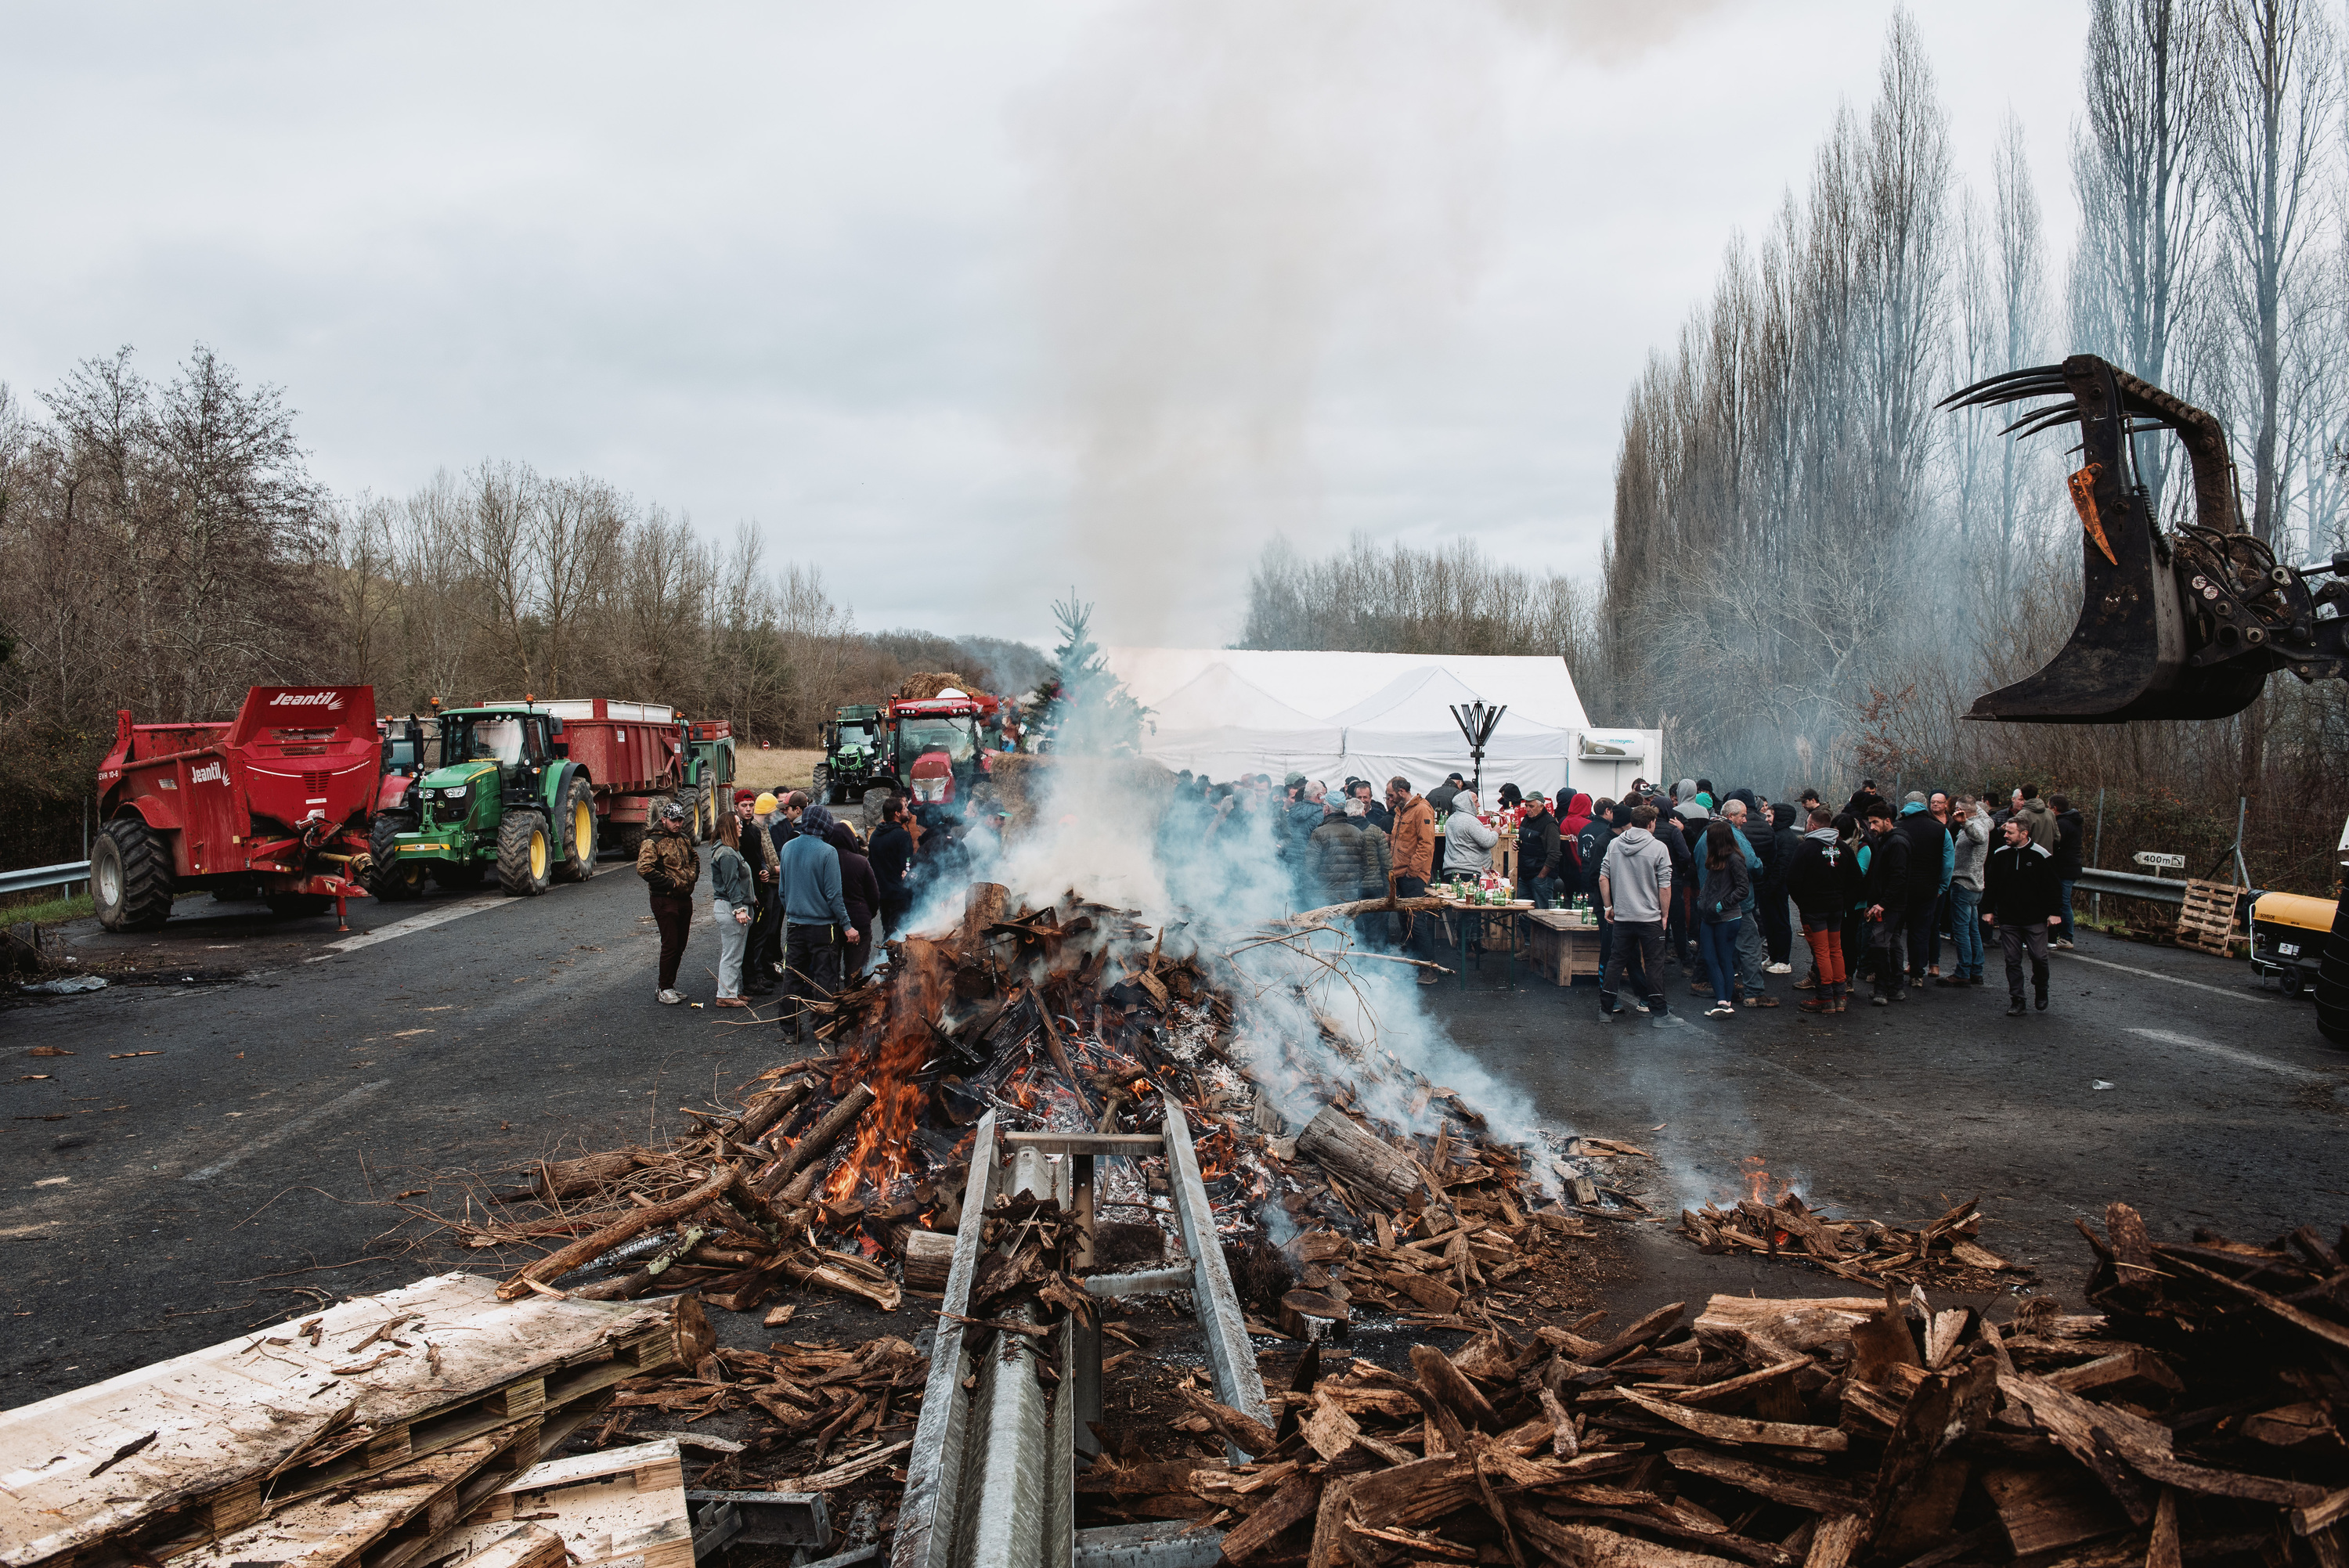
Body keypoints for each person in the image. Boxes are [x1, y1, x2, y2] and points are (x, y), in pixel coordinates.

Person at [778, 803, 854, 1044]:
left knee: (793, 977)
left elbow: (782, 891)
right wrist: (847, 925)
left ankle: (790, 1029)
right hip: (824, 928)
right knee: (825, 978)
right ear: (825, 825)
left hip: (795, 926)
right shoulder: (827, 852)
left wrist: (794, 910)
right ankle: (823, 1030)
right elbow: (834, 895)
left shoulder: (788, 848)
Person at [1983, 813, 2062, 1016]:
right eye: (2005, 831)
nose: (2006, 835)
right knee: (2012, 959)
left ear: (2024, 834)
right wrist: (1988, 910)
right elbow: (1991, 885)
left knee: (2039, 956)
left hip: (2035, 917)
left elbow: (2053, 887)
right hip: (2009, 918)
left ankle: (2041, 987)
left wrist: (2054, 913)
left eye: (2010, 832)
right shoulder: (2001, 854)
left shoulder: (2041, 855)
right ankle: (2017, 999)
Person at [1597, 802, 1671, 1019]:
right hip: (1650, 917)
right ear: (1651, 823)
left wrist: (1608, 907)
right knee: (1654, 963)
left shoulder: (1614, 844)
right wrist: (1664, 914)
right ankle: (1659, 1013)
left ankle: (1606, 1009)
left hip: (1623, 915)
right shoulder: (1659, 848)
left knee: (1616, 961)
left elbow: (1603, 877)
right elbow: (1665, 886)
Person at [1785, 806, 1857, 1013]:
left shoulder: (1806, 848)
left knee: (1822, 951)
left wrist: (1802, 903)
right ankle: (1840, 996)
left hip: (1814, 909)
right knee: (1836, 949)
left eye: (1807, 823)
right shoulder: (1843, 848)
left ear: (1813, 825)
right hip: (1836, 908)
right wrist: (1843, 901)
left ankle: (1825, 997)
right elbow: (1855, 880)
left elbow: (1792, 880)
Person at [636, 800, 701, 1004]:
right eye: (674, 820)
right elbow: (644, 869)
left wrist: (692, 876)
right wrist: (670, 883)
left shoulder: (683, 839)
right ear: (664, 820)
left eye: (680, 820)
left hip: (684, 898)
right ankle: (664, 987)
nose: (678, 824)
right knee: (670, 944)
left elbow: (695, 859)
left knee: (680, 945)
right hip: (664, 900)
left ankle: (669, 985)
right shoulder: (652, 841)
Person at [1715, 798, 1775, 1007]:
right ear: (1731, 816)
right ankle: (1754, 992)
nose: (1746, 820)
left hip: (1714, 901)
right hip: (1739, 901)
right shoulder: (1735, 835)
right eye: (1742, 816)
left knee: (1722, 946)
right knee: (1750, 946)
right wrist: (1759, 868)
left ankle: (1723, 990)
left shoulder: (1708, 832)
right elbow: (1752, 863)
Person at [1896, 791, 1953, 988]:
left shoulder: (1897, 827)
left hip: (1900, 888)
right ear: (1925, 805)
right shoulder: (1940, 830)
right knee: (1920, 932)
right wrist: (1942, 887)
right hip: (1928, 889)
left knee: (1894, 931)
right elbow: (1948, 863)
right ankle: (1917, 974)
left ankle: (1892, 971)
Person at [1694, 819, 1751, 1017]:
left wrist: (1723, 904)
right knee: (1710, 958)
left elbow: (1743, 888)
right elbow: (1709, 885)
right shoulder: (1715, 858)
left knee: (1724, 959)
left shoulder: (1734, 859)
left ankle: (1724, 1002)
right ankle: (1722, 1002)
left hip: (1727, 918)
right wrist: (1702, 900)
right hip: (1709, 916)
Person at [1386, 777, 1440, 984]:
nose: (1389, 799)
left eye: (1391, 795)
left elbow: (1426, 844)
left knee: (1416, 923)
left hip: (1412, 876)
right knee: (1406, 922)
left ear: (1401, 791)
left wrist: (1413, 871)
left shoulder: (1421, 810)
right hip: (1400, 874)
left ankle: (1429, 969)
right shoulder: (1401, 811)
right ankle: (1415, 967)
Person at [1859, 800, 1911, 1005]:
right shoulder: (1893, 840)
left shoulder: (1895, 843)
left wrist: (1882, 903)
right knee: (1893, 944)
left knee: (1880, 944)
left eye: (1875, 822)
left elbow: (1899, 876)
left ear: (1887, 821)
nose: (1871, 827)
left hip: (1889, 904)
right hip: (1893, 903)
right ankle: (1895, 988)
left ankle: (1882, 989)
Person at [1939, 795, 1990, 986]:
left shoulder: (1975, 826)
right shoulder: (1983, 820)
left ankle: (1963, 971)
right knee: (1972, 930)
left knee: (1961, 931)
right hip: (1975, 883)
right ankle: (1976, 969)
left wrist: (1965, 823)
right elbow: (1987, 821)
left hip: (1964, 884)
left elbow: (1980, 837)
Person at [734, 791, 779, 997]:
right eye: (744, 806)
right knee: (748, 939)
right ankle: (748, 979)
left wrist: (763, 869)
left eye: (751, 805)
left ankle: (756, 976)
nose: (748, 809)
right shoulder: (736, 832)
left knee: (760, 934)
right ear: (736, 807)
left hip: (760, 887)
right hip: (746, 893)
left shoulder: (754, 830)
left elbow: (760, 856)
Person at [709, 812, 755, 1007]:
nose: (741, 826)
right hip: (730, 907)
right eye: (737, 824)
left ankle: (731, 991)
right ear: (728, 827)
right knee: (732, 953)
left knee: (735, 951)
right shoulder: (727, 853)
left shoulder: (728, 850)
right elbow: (731, 884)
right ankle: (725, 995)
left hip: (731, 905)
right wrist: (739, 908)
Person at [826, 820, 882, 975]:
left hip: (832, 922)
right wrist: (869, 914)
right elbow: (873, 894)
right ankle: (854, 994)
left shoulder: (824, 861)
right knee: (856, 969)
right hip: (859, 920)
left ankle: (833, 995)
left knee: (830, 969)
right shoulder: (861, 861)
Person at [868, 795, 915, 948]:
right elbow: (907, 864)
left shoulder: (875, 835)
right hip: (899, 895)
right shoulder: (902, 836)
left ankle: (884, 961)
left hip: (882, 894)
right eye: (904, 809)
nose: (907, 811)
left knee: (888, 932)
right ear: (896, 813)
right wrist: (909, 871)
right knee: (901, 934)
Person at [1763, 802, 1803, 971]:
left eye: (1769, 816)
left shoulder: (1786, 838)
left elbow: (1781, 867)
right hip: (1772, 888)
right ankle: (1774, 956)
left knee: (1780, 923)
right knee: (1771, 923)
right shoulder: (1777, 834)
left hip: (1777, 889)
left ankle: (1784, 961)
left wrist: (1769, 888)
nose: (1766, 819)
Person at [1309, 795, 1368, 907]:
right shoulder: (1358, 833)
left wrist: (1312, 892)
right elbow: (1364, 868)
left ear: (1327, 809)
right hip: (1350, 897)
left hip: (1324, 897)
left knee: (1326, 924)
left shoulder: (1319, 833)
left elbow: (1310, 868)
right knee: (1345, 925)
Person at [1355, 798, 1393, 948]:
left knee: (1357, 927)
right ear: (1363, 812)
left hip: (1353, 888)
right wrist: (1389, 888)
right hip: (1374, 886)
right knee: (1375, 927)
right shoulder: (1375, 831)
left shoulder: (1345, 830)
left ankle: (1358, 958)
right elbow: (1386, 862)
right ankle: (1377, 958)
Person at [2050, 794, 2084, 948]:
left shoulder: (2063, 823)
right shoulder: (2074, 821)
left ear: (2055, 808)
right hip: (2071, 866)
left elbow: (2056, 843)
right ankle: (2063, 935)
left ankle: (2066, 937)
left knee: (2063, 902)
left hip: (2065, 868)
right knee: (2063, 901)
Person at [1442, 790, 1497, 880]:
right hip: (1470, 873)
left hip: (1450, 871)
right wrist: (1496, 832)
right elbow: (1488, 841)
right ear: (1468, 803)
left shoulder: (1450, 820)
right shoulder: (1470, 820)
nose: (1478, 805)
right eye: (1476, 802)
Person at [1518, 793, 1561, 906]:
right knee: (1523, 914)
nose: (1528, 809)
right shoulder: (1527, 820)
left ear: (1541, 806)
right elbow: (1528, 841)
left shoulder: (1549, 824)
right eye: (1526, 806)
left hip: (1540, 877)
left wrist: (1542, 876)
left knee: (1542, 914)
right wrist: (1518, 844)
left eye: (1531, 806)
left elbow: (1555, 854)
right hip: (1525, 875)